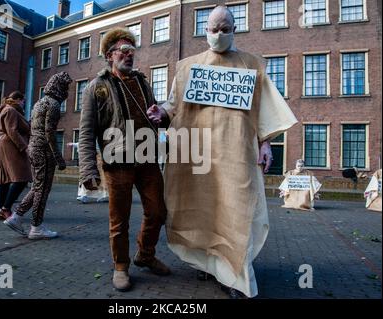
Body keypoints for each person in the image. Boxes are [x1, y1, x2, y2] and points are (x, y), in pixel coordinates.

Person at [147, 6, 298, 298]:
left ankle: (237, 276)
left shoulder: (252, 65)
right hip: (197, 156)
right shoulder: (188, 66)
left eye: (225, 28)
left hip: (236, 155)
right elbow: (173, 105)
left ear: (234, 30)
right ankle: (210, 263)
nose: (219, 34)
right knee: (202, 211)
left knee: (235, 211)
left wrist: (266, 143)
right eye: (214, 29)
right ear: (205, 31)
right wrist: (161, 114)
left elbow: (264, 109)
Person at [78, 28, 170, 292]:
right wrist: (88, 170)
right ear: (110, 56)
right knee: (120, 220)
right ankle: (121, 267)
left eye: (132, 51)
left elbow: (156, 116)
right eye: (123, 50)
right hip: (116, 162)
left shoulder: (142, 82)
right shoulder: (96, 88)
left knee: (158, 212)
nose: (129, 55)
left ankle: (146, 255)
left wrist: (161, 115)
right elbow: (86, 132)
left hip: (147, 159)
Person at [4, 72, 72, 240]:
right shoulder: (54, 104)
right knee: (43, 189)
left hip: (33, 148)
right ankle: (36, 227)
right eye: (66, 87)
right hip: (44, 150)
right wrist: (59, 157)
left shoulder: (38, 103)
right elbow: (49, 132)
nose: (67, 91)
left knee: (37, 187)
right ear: (60, 87)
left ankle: (16, 217)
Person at [0, 91, 32, 221]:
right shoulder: (11, 110)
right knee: (22, 177)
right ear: (17, 99)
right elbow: (12, 130)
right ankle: (5, 208)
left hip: (5, 143)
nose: (24, 103)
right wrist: (24, 147)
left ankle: (3, 210)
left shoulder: (7, 109)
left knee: (4, 179)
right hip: (11, 145)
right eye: (23, 101)